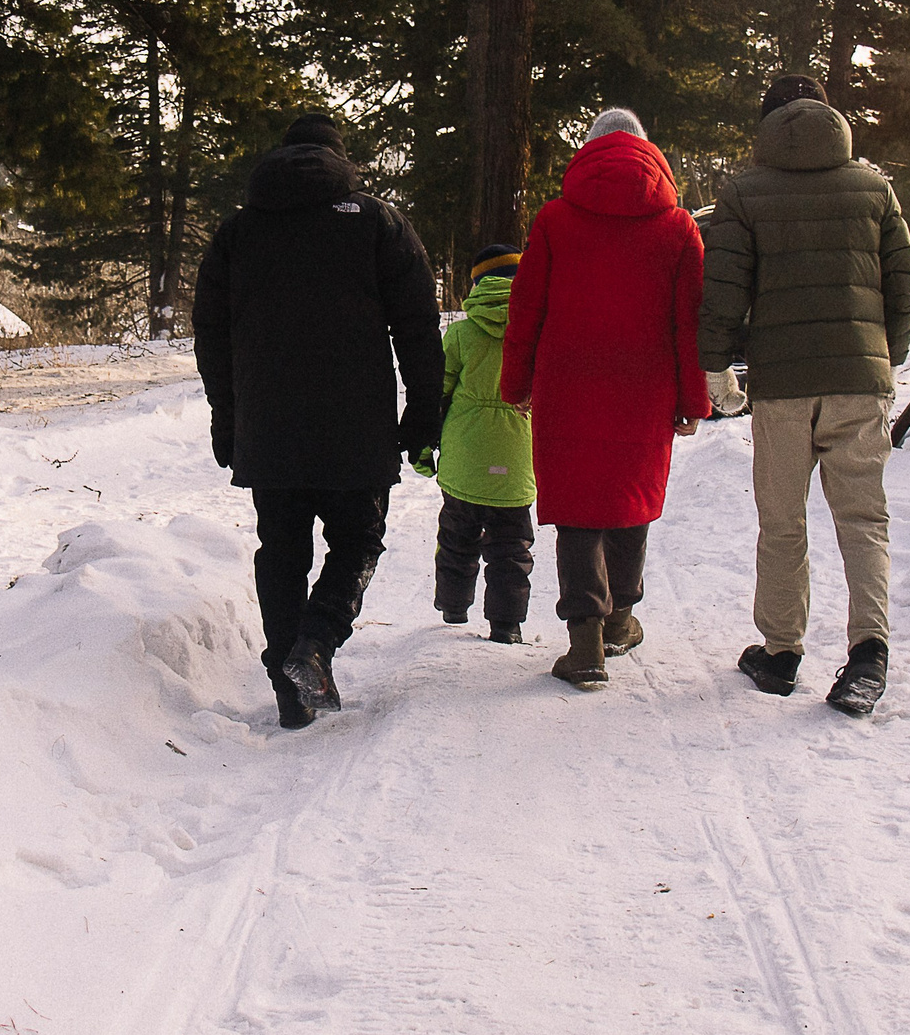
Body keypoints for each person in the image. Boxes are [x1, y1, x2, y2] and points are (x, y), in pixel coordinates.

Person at [194, 114, 444, 730]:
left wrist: (227, 419)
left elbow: (212, 338)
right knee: (357, 542)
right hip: (355, 428)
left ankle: (289, 687)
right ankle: (314, 646)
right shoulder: (379, 224)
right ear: (340, 160)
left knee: (280, 551)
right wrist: (423, 412)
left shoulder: (236, 235)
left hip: (268, 427)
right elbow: (417, 327)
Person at [699, 74, 910, 717]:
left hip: (783, 387)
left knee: (782, 520)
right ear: (833, 118)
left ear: (767, 126)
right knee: (863, 520)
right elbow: (900, 279)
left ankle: (780, 652)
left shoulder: (743, 194)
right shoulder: (875, 189)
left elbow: (725, 289)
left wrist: (716, 367)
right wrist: (889, 353)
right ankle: (868, 653)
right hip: (859, 380)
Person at [500, 108, 709, 689]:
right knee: (629, 501)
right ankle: (620, 620)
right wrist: (693, 400)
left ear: (588, 153)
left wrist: (516, 384)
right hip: (646, 390)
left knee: (577, 509)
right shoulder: (678, 228)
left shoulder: (554, 220)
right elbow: (688, 323)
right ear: (649, 153)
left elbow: (527, 311)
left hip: (568, 387)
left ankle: (585, 644)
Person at [419, 243, 534, 644]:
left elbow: (438, 393)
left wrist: (422, 447)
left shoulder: (461, 333)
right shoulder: (538, 330)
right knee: (511, 549)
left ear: (478, 285)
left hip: (465, 459)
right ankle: (507, 625)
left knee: (456, 537)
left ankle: (453, 607)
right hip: (517, 457)